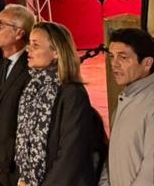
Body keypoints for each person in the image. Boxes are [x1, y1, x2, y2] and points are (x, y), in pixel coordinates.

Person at [13, 21, 104, 186]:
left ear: (56, 52)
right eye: (29, 44)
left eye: (36, 45)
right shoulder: (32, 88)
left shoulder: (73, 94)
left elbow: (71, 154)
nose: (28, 49)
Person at [100, 28, 154, 186]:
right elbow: (112, 154)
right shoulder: (127, 95)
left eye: (123, 57)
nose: (114, 64)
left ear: (147, 63)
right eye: (112, 56)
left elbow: (151, 171)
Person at [0, 4, 36, 186]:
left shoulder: (31, 70)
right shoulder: (0, 67)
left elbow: (26, 125)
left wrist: (0, 159)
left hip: (18, 170)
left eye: (0, 24)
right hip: (0, 166)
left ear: (19, 33)